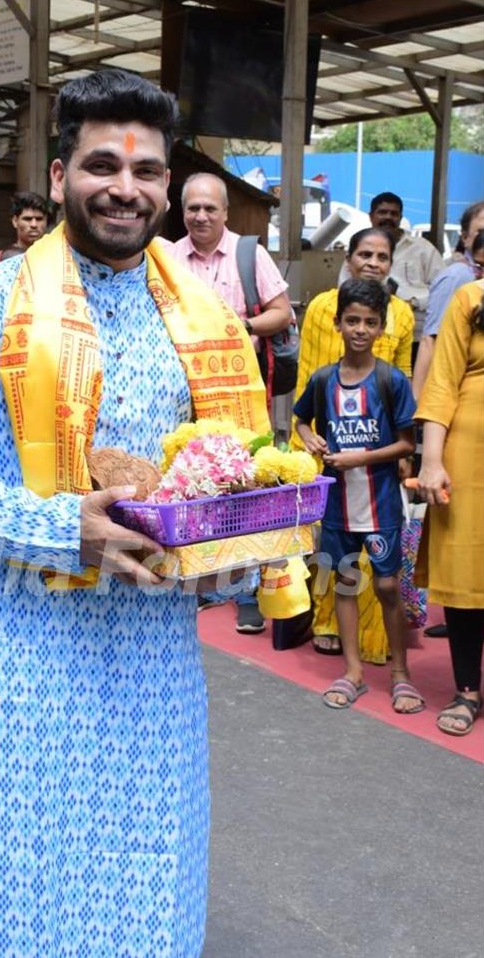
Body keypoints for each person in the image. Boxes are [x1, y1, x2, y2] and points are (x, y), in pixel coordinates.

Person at [0, 69, 270, 958]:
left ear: (169, 186)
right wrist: (65, 526)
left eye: (145, 172)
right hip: (7, 657)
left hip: (147, 669)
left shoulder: (205, 325)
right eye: (101, 164)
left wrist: (235, 547)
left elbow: (220, 477)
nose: (124, 188)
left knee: (137, 878)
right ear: (59, 177)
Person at [169, 171, 292, 633]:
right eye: (193, 208)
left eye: (210, 208)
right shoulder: (166, 257)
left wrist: (239, 329)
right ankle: (201, 579)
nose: (201, 216)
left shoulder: (249, 254)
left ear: (225, 212)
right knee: (190, 481)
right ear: (182, 212)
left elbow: (282, 313)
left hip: (242, 396)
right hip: (185, 394)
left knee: (248, 484)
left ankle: (247, 590)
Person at [295, 279, 422, 713]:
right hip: (336, 508)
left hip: (381, 503)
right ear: (337, 323)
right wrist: (310, 439)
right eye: (352, 320)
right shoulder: (323, 379)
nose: (361, 329)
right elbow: (300, 421)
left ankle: (401, 673)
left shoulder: (391, 381)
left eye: (370, 322)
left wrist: (359, 458)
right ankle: (352, 672)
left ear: (382, 328)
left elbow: (407, 444)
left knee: (387, 586)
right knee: (345, 583)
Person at [416, 278, 484, 736]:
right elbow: (442, 384)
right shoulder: (471, 297)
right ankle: (467, 690)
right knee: (467, 571)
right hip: (470, 455)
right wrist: (432, 460)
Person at [339, 192, 443, 356]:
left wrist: (415, 302)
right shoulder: (359, 247)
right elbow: (343, 290)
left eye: (394, 214)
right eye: (382, 212)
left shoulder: (423, 249)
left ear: (400, 218)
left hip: (416, 334)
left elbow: (443, 289)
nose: (388, 217)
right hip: (365, 333)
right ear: (371, 216)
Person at [413, 211, 484, 399]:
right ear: (465, 238)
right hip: (456, 394)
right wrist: (418, 399)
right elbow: (431, 340)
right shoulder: (458, 276)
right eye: (482, 231)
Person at [0, 191, 49, 266]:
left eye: (39, 219)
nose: (34, 224)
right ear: (15, 221)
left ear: (46, 221)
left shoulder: (57, 257)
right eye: (27, 219)